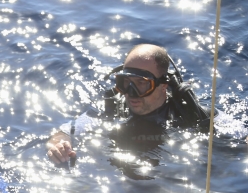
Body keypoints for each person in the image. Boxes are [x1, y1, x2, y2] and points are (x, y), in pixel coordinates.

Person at [46, 43, 210, 164]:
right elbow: (66, 131)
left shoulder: (190, 112)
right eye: (126, 82)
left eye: (142, 83)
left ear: (163, 85)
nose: (131, 93)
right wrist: (59, 145)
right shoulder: (110, 109)